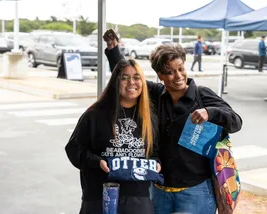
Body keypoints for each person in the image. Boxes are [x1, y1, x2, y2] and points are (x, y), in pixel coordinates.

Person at [104, 29, 242, 214]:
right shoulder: (155, 95)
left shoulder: (201, 95)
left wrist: (210, 112)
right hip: (159, 191)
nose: (178, 76)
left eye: (181, 69)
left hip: (195, 192)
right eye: (169, 72)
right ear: (159, 75)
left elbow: (236, 121)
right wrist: (113, 49)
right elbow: (130, 78)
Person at [65, 53, 161, 214]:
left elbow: (154, 151)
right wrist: (96, 162)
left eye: (136, 77)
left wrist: (156, 163)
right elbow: (74, 149)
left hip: (137, 198)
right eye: (124, 78)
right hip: (99, 195)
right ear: (116, 82)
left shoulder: (149, 117)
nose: (131, 82)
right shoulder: (95, 115)